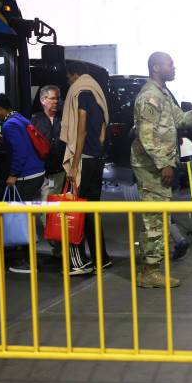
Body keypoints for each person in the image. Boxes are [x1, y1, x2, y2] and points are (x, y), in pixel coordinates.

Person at [132, 51, 192, 288]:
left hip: (158, 166)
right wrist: (165, 164)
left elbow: (181, 120)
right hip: (151, 167)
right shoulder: (149, 96)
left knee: (159, 217)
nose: (174, 67)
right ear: (156, 68)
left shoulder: (163, 93)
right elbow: (146, 136)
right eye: (170, 64)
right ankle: (149, 271)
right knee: (153, 218)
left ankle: (151, 268)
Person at [61, 61, 111, 275]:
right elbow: (102, 129)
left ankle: (79, 262)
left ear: (74, 75)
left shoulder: (81, 93)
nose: (69, 82)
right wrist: (98, 145)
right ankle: (102, 258)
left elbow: (80, 131)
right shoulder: (97, 92)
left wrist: (73, 165)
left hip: (84, 160)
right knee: (92, 210)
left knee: (75, 210)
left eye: (69, 78)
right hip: (97, 159)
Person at [0, 93, 45, 274]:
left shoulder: (9, 124)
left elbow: (19, 152)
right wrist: (5, 138)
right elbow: (24, 142)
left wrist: (13, 174)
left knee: (24, 219)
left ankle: (29, 263)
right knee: (28, 217)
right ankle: (30, 258)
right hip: (37, 172)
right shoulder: (19, 118)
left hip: (27, 175)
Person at [31, 85, 66, 257]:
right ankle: (56, 244)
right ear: (43, 100)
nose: (56, 102)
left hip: (60, 172)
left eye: (57, 98)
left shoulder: (63, 119)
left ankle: (61, 245)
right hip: (43, 173)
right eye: (52, 98)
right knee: (46, 212)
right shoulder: (35, 121)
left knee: (59, 210)